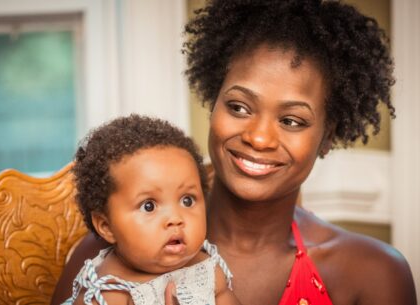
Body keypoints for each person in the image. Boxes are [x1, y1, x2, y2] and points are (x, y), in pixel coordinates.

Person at [52, 1, 418, 304]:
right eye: (240, 107)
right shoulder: (110, 258)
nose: (259, 138)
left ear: (326, 137)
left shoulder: (373, 274)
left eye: (292, 120)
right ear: (213, 104)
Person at [61, 115, 240, 305]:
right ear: (106, 226)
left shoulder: (206, 270)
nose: (175, 218)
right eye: (149, 206)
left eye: (187, 200)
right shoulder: (107, 292)